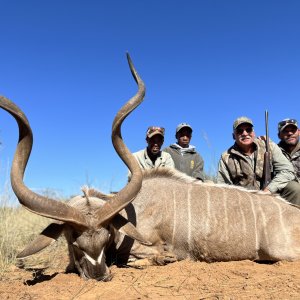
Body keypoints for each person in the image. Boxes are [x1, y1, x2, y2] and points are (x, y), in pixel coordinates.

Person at [217, 116, 300, 205]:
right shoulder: (226, 156)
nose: (245, 133)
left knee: (294, 188)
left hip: (271, 194)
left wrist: (269, 190)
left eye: (248, 130)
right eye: (240, 131)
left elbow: (287, 170)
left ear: (253, 133)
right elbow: (223, 186)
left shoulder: (268, 145)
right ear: (234, 136)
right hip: (244, 200)